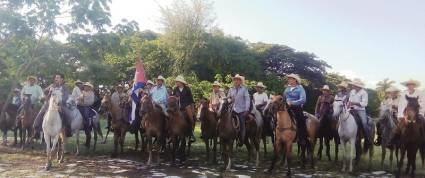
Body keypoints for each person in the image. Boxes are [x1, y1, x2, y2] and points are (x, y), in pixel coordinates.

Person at [283, 74, 307, 145]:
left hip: (296, 107)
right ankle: (277, 135)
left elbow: (303, 99)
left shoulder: (300, 88)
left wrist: (292, 103)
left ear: (295, 80)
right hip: (286, 107)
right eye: (288, 79)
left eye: (290, 79)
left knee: (301, 119)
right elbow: (284, 98)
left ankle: (302, 137)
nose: (288, 80)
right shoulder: (287, 88)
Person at [227, 74, 250, 146]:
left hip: (241, 110)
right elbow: (228, 98)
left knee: (242, 123)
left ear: (240, 81)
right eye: (235, 80)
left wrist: (246, 109)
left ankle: (242, 139)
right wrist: (230, 99)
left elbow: (247, 100)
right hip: (232, 109)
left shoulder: (244, 89)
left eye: (237, 80)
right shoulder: (231, 89)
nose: (236, 81)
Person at [173, 75, 196, 142]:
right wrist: (176, 99)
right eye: (176, 81)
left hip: (186, 106)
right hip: (177, 107)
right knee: (170, 117)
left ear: (181, 82)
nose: (177, 82)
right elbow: (173, 98)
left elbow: (191, 99)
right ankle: (170, 133)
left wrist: (192, 107)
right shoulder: (175, 89)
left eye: (178, 81)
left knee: (191, 118)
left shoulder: (187, 89)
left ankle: (191, 133)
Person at [348, 79, 370, 145]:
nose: (352, 86)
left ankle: (367, 138)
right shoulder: (352, 91)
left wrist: (354, 103)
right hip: (351, 109)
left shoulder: (364, 93)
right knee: (343, 117)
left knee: (364, 123)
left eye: (354, 85)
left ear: (357, 86)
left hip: (361, 110)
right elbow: (349, 101)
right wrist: (348, 106)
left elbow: (364, 104)